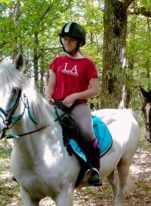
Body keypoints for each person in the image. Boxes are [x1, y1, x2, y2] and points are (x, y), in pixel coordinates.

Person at [45, 22, 101, 186]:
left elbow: (95, 90)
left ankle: (94, 169)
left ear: (79, 42)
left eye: (71, 40)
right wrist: (48, 97)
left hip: (78, 105)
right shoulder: (57, 61)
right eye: (64, 39)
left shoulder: (88, 64)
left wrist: (74, 96)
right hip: (56, 104)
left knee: (86, 131)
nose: (67, 43)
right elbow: (51, 85)